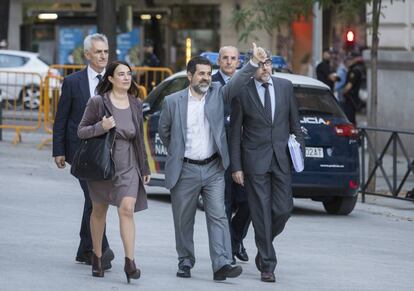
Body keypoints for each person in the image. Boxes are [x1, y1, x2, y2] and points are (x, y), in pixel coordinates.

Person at [158, 43, 266, 281]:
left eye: (208, 73)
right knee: (183, 220)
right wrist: (178, 153)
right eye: (201, 74)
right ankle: (185, 261)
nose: (206, 78)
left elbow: (238, 81)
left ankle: (222, 264)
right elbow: (164, 132)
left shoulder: (218, 92)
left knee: (218, 216)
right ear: (190, 76)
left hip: (214, 168)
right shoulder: (173, 101)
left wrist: (254, 62)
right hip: (185, 169)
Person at [230, 50, 305, 283]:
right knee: (260, 210)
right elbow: (235, 133)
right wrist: (236, 166)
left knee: (284, 209)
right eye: (260, 64)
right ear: (252, 68)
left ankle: (264, 241)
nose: (265, 68)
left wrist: (299, 151)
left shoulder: (285, 87)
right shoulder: (242, 92)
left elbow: (295, 124)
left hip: (281, 159)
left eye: (268, 64)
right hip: (254, 162)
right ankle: (267, 263)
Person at [77, 60, 151, 282]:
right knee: (99, 211)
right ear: (110, 78)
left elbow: (139, 139)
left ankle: (130, 262)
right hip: (103, 165)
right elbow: (81, 131)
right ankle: (97, 257)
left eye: (129, 74)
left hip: (128, 163)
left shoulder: (136, 103)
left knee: (126, 209)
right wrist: (102, 127)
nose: (127, 78)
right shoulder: (98, 102)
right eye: (121, 74)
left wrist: (144, 166)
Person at [53, 33, 114, 269]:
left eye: (105, 52)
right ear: (87, 54)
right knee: (94, 198)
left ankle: (84, 248)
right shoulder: (72, 82)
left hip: (106, 150)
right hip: (80, 150)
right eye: (98, 52)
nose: (102, 56)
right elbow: (61, 118)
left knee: (93, 200)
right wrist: (58, 149)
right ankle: (101, 250)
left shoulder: (114, 79)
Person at [212, 46, 251, 264]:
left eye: (233, 58)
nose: (229, 62)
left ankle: (236, 238)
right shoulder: (211, 82)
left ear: (239, 62)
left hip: (245, 155)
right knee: (224, 204)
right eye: (225, 58)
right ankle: (227, 251)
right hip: (219, 155)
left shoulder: (247, 82)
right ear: (218, 60)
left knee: (249, 202)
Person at [342, 55, 363, 124]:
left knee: (349, 118)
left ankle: (353, 133)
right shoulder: (353, 69)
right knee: (350, 118)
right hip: (351, 98)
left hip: (351, 98)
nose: (347, 62)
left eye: (349, 61)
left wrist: (343, 92)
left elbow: (349, 86)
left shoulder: (354, 71)